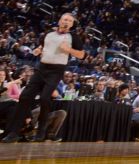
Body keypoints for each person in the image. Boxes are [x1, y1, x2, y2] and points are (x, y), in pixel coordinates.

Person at [2, 13, 88, 143]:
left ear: (72, 24)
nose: (66, 22)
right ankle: (14, 132)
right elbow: (43, 46)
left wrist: (69, 49)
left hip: (56, 70)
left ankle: (41, 132)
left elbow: (82, 55)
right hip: (41, 68)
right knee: (25, 97)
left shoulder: (73, 37)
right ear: (59, 21)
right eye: (64, 19)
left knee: (45, 98)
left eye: (70, 21)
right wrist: (38, 50)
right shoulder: (48, 34)